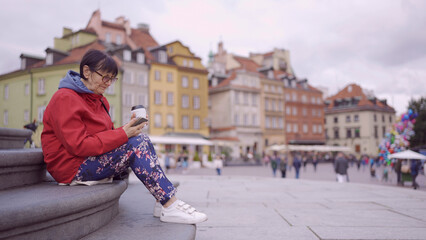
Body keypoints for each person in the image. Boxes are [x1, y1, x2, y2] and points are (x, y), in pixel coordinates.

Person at [41, 49, 207, 224]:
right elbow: (79, 145)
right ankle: (170, 204)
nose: (108, 83)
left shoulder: (98, 99)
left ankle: (163, 201)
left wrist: (130, 128)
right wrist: (124, 133)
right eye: (105, 77)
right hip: (70, 167)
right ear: (87, 72)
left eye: (112, 78)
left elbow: (104, 136)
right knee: (137, 143)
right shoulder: (65, 98)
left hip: (88, 159)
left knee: (140, 138)